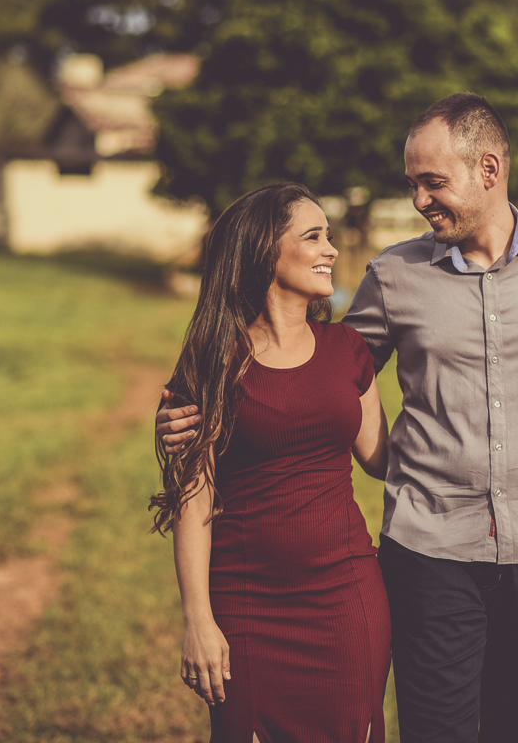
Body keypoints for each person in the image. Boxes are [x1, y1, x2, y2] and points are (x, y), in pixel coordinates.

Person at [158, 94, 518, 743]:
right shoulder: (394, 276)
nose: (419, 199)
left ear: (490, 170)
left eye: (433, 182)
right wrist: (201, 412)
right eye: (413, 183)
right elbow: (325, 370)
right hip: (429, 550)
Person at [150, 182, 392, 743]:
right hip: (246, 603)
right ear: (264, 250)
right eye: (313, 236)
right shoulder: (213, 357)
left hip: (345, 599)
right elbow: (194, 495)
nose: (331, 249)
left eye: (329, 236)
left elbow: (381, 457)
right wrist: (197, 618)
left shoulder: (347, 350)